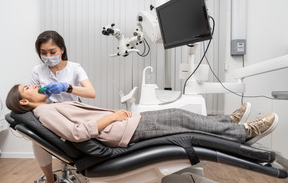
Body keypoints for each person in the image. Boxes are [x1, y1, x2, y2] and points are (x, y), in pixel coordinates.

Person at [7, 84, 278, 150]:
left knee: (180, 116)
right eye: (27, 88)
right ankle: (244, 132)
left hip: (123, 126)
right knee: (181, 118)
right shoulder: (43, 111)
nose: (33, 86)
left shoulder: (48, 105)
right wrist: (113, 117)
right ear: (24, 101)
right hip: (121, 130)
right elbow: (77, 133)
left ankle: (227, 121)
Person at [30, 30, 96, 183]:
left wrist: (67, 87)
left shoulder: (75, 68)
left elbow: (91, 92)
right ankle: (49, 179)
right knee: (37, 139)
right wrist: (42, 93)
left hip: (71, 114)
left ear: (62, 49)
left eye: (52, 52)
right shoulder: (37, 71)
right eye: (43, 52)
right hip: (49, 115)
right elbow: (32, 98)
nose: (48, 56)